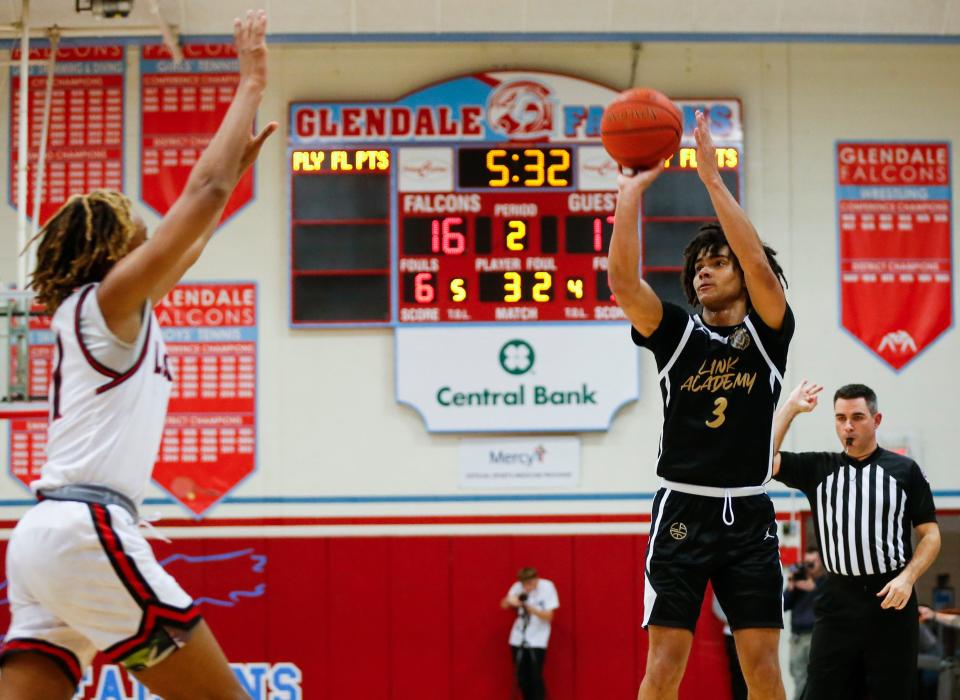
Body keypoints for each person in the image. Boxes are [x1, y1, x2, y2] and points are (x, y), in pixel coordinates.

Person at [0, 11, 277, 700]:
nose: (149, 236)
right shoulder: (108, 302)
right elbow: (200, 194)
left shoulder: (103, 312)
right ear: (111, 246)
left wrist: (224, 189)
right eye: (135, 230)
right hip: (86, 535)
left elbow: (194, 233)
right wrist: (251, 80)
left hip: (42, 543)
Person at [609, 111, 791, 700]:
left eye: (717, 261)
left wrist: (713, 181)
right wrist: (629, 196)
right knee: (665, 666)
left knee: (762, 666)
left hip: (751, 514)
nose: (703, 270)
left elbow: (760, 266)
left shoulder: (769, 332)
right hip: (684, 507)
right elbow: (624, 287)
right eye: (697, 265)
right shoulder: (678, 335)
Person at [772, 382, 941, 700]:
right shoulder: (818, 468)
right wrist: (790, 409)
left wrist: (908, 577)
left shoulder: (904, 470)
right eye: (840, 417)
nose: (848, 425)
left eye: (857, 417)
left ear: (876, 420)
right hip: (837, 601)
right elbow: (761, 463)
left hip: (891, 600)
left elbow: (930, 534)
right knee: (821, 692)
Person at [500, 567, 559, 700]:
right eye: (524, 585)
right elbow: (503, 604)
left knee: (535, 676)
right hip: (519, 637)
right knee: (521, 677)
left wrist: (530, 609)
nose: (526, 588)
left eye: (529, 584)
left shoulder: (547, 587)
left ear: (536, 580)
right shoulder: (517, 587)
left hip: (538, 639)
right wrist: (510, 601)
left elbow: (549, 616)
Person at [783, 546, 825, 699]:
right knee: (799, 678)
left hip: (816, 636)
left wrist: (807, 584)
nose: (810, 567)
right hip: (797, 638)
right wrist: (791, 585)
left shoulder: (825, 582)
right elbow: (784, 604)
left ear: (820, 561)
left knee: (818, 679)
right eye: (807, 563)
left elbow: (817, 592)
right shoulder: (799, 582)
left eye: (812, 563)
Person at [712, 592, 747, 700]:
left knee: (753, 674)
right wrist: (736, 621)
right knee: (737, 674)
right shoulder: (720, 580)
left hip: (752, 636)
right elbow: (716, 608)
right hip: (731, 634)